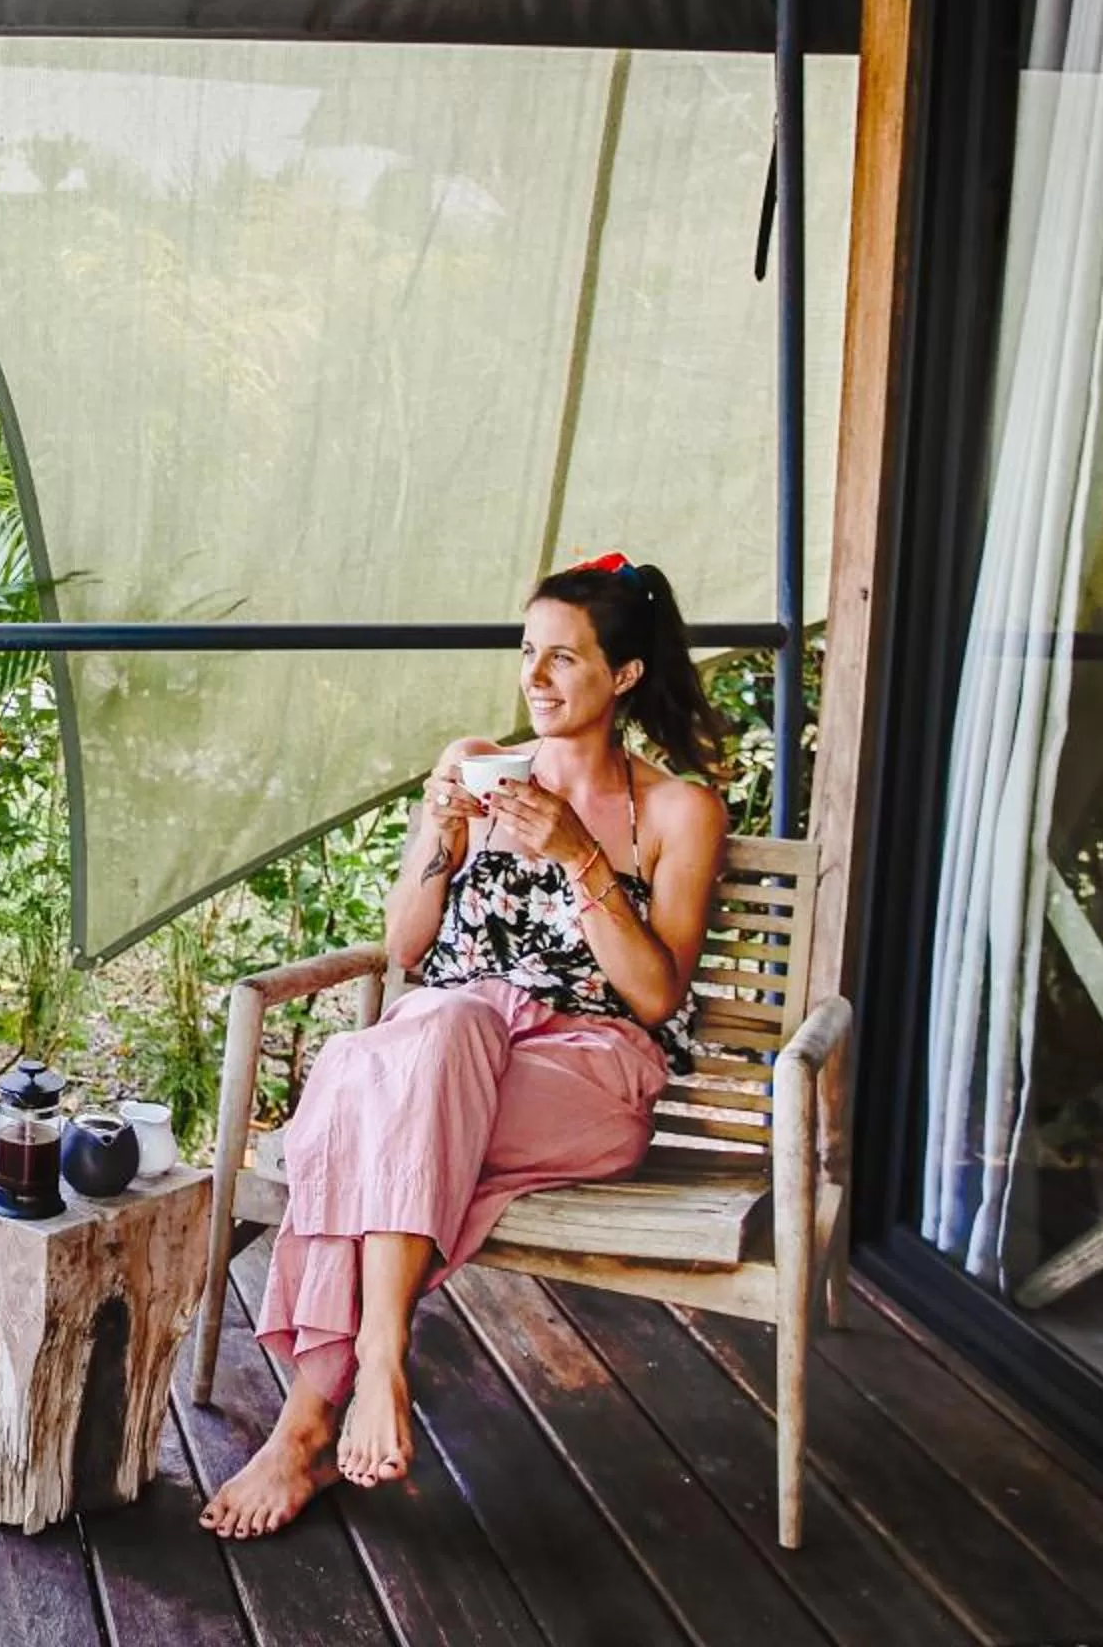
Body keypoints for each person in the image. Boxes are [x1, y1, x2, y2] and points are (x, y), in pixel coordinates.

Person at [198, 553, 732, 1539]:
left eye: (563, 658)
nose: (535, 676)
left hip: (585, 1064)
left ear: (620, 676)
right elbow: (407, 948)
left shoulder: (674, 810)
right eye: (528, 651)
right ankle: (376, 1366)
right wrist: (443, 835)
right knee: (433, 1029)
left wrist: (578, 856)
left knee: (372, 1086)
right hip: (448, 1052)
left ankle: (320, 1405)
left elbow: (655, 997)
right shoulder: (479, 762)